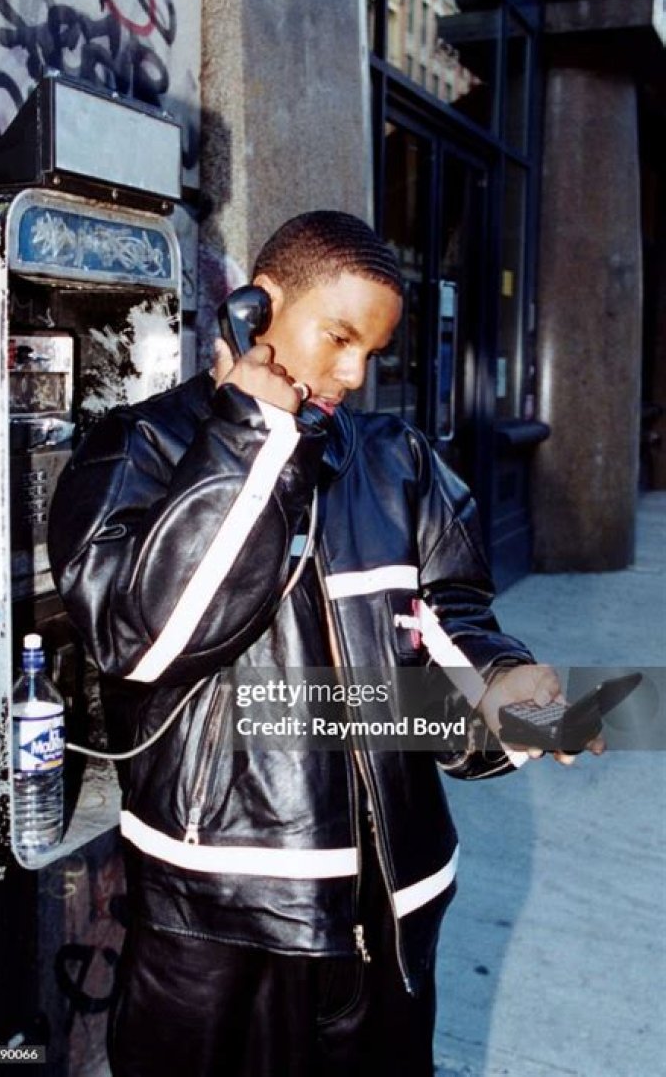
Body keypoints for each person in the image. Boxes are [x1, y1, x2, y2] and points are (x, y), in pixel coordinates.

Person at [48, 211, 600, 1077]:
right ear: (257, 309)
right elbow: (143, 641)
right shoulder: (138, 450)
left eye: (373, 352)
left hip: (389, 913)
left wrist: (503, 692)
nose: (353, 374)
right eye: (339, 337)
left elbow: (452, 627)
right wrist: (251, 440)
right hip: (218, 917)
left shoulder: (396, 460)